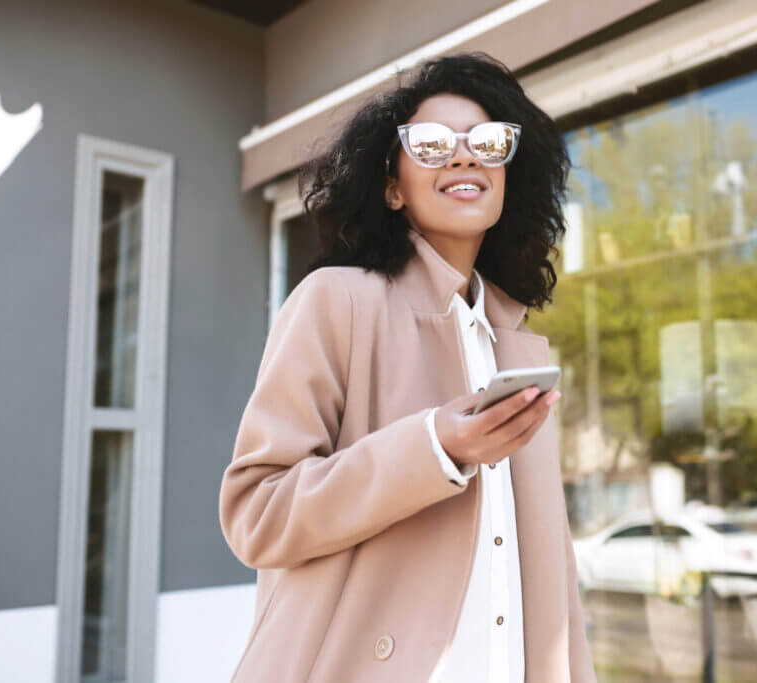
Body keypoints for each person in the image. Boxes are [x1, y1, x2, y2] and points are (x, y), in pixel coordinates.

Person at [218, 51, 597, 683]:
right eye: (429, 144)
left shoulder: (516, 343)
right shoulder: (336, 301)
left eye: (486, 142)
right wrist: (432, 448)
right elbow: (256, 513)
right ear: (391, 186)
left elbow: (551, 578)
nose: (463, 156)